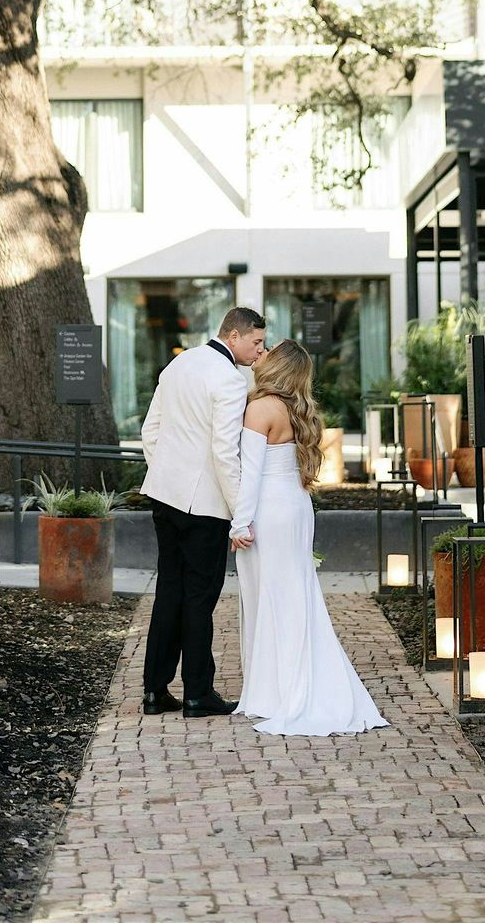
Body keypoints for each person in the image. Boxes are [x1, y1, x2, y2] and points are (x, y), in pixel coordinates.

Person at [231, 339, 388, 736]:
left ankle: (277, 694)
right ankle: (277, 690)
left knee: (266, 596)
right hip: (297, 506)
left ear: (278, 366)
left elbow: (249, 473)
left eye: (269, 350)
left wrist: (239, 523)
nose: (261, 353)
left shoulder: (259, 408)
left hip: (268, 509)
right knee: (294, 595)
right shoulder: (296, 410)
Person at [139, 305, 267, 718]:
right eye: (256, 342)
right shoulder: (229, 380)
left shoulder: (180, 364)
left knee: (168, 593)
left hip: (164, 496)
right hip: (205, 507)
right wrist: (239, 513)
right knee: (198, 598)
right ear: (234, 336)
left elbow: (150, 431)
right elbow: (224, 453)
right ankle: (198, 694)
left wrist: (166, 475)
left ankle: (154, 692)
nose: (259, 351)